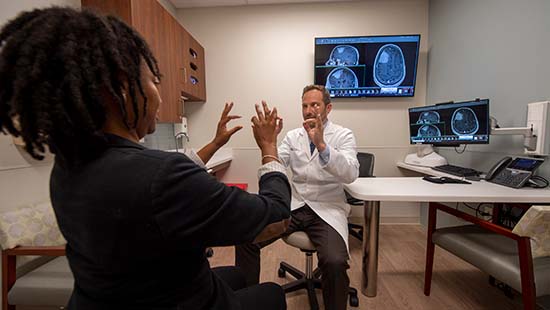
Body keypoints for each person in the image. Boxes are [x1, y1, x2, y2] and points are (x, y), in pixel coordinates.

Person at [0, 7, 291, 310]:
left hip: (115, 294)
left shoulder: (68, 166)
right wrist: (268, 146)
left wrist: (216, 142)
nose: (160, 97)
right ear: (123, 87)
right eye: (154, 81)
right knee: (271, 293)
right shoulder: (161, 177)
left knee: (234, 275)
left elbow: (153, 181)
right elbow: (276, 217)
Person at [236, 85, 360, 310]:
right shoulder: (293, 137)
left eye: (315, 105)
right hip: (295, 205)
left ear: (328, 108)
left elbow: (351, 173)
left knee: (335, 261)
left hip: (327, 208)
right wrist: (270, 143)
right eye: (305, 105)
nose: (309, 110)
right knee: (247, 236)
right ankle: (245, 301)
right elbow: (276, 166)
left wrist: (322, 145)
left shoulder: (343, 135)